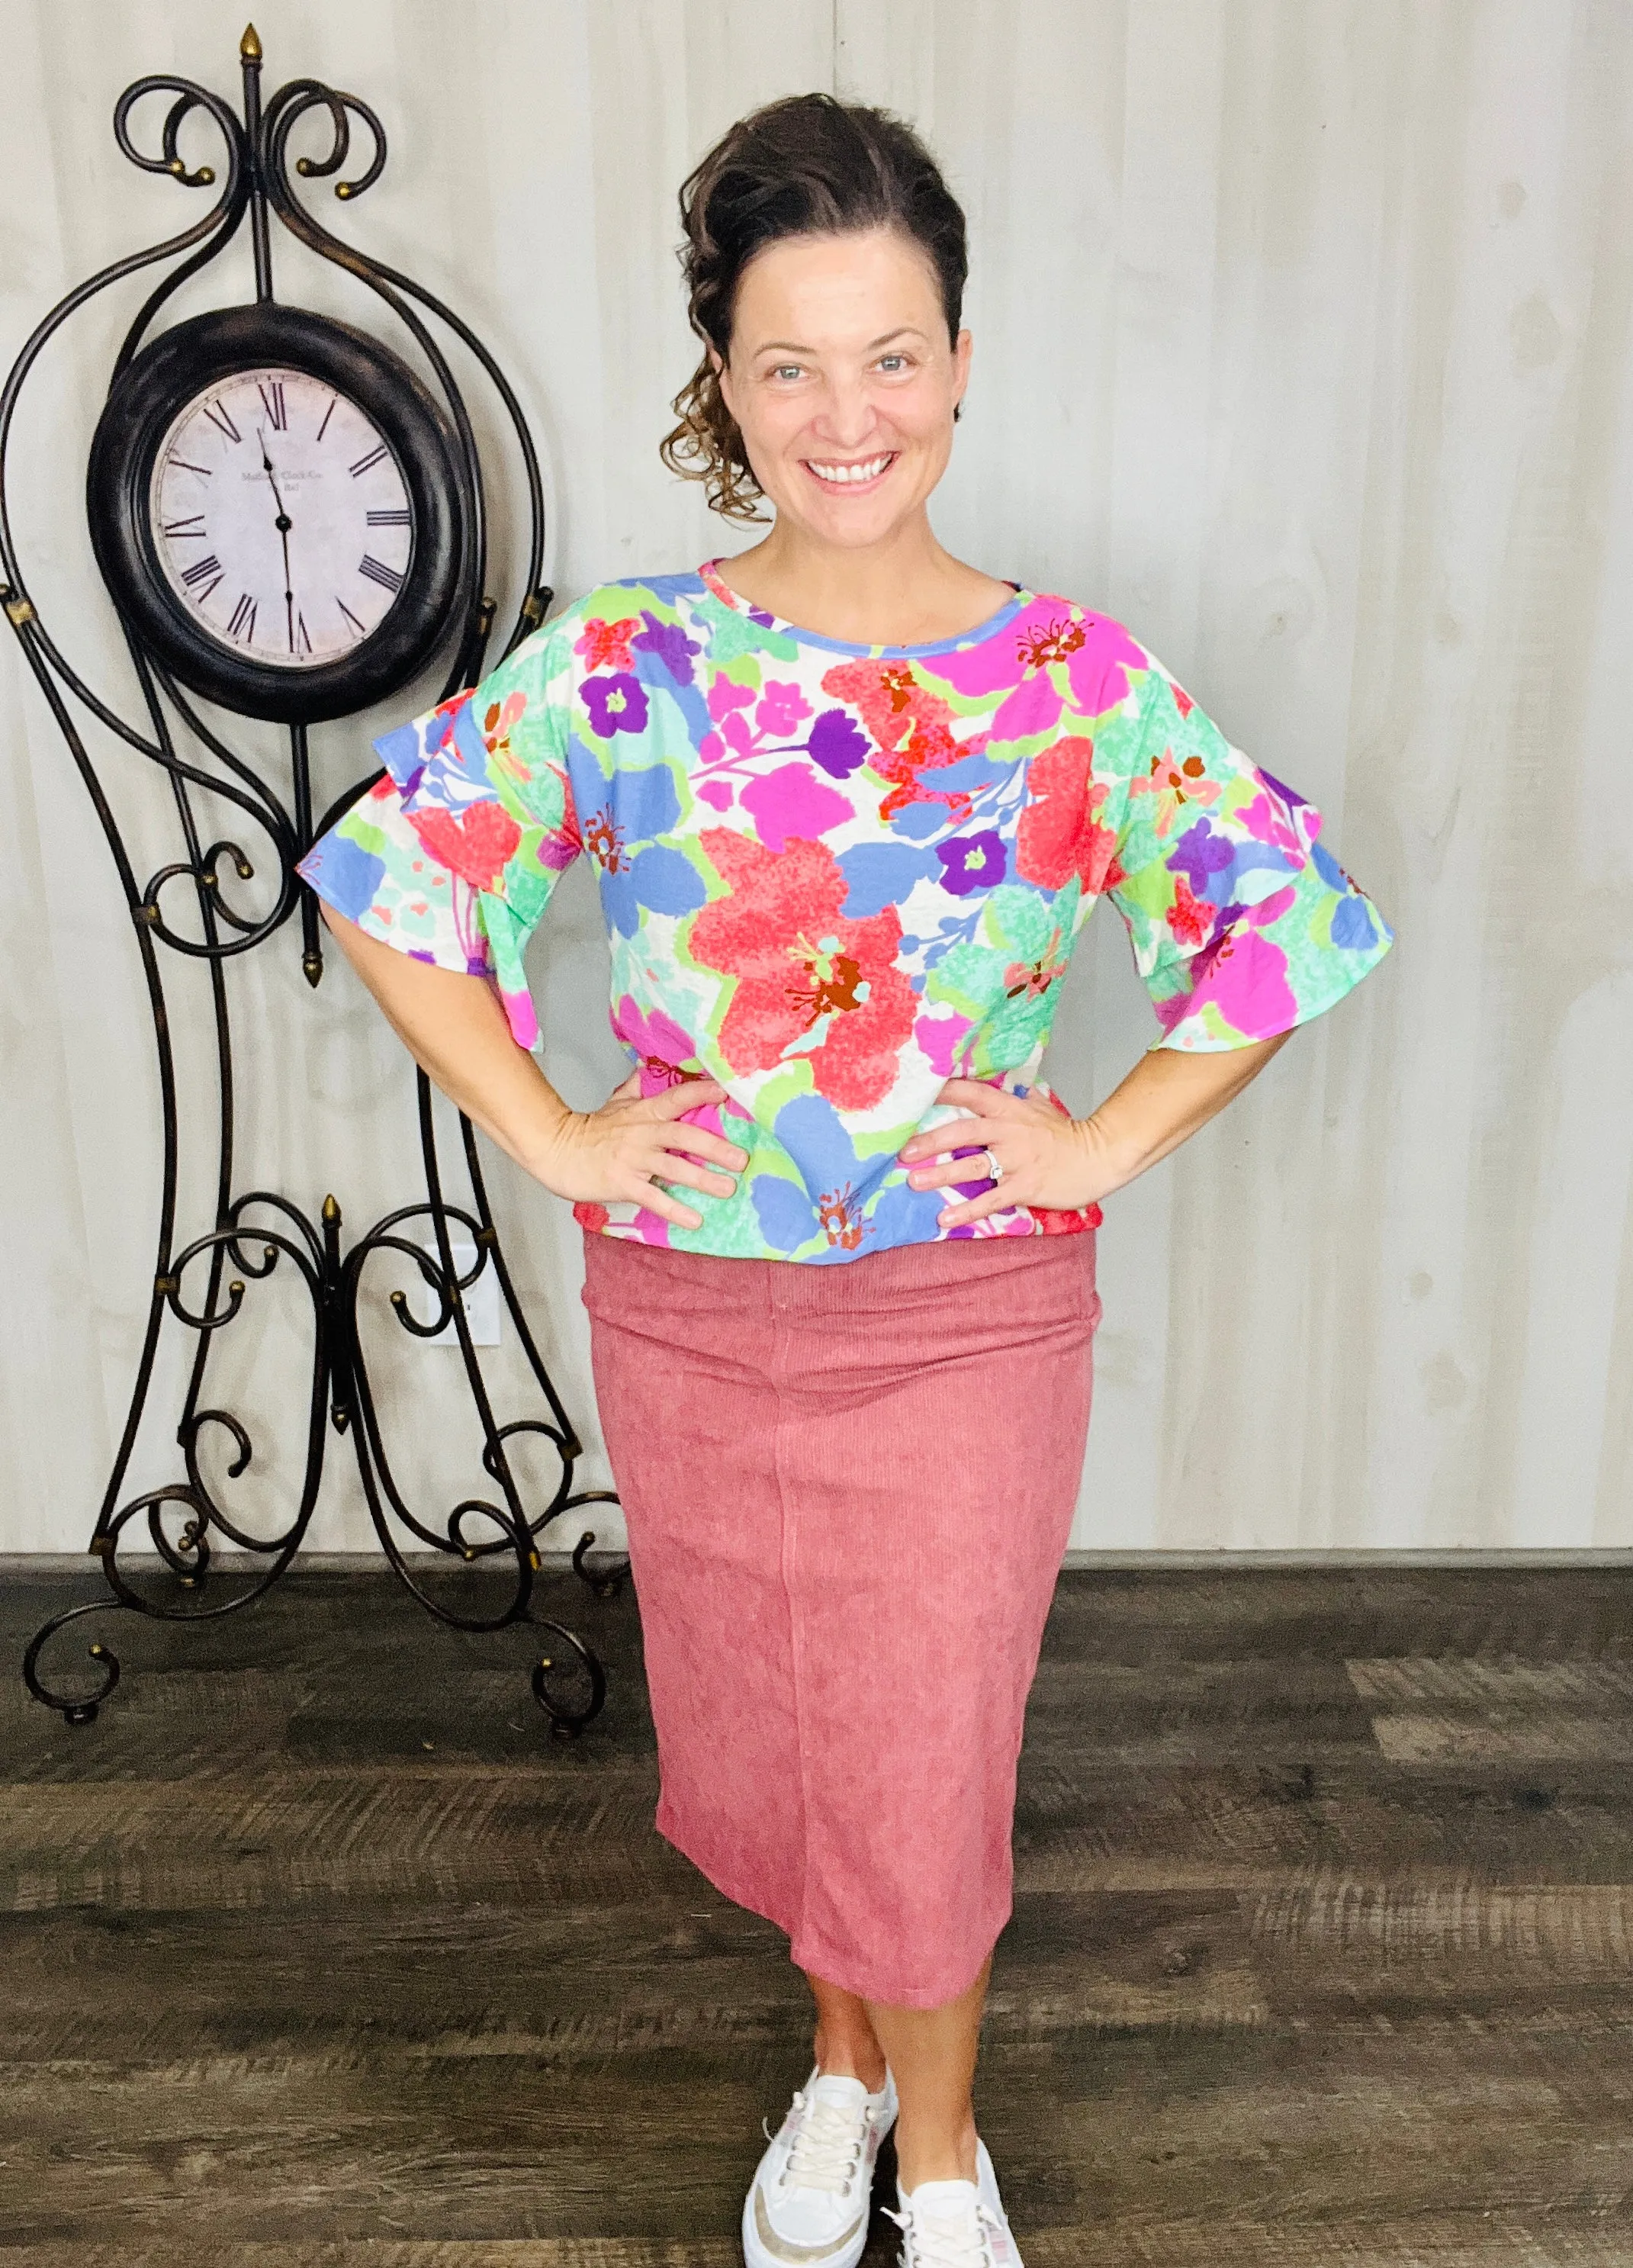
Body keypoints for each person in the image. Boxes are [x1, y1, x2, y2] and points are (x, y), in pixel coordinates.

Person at [297, 91, 1392, 2268]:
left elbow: (1284, 920)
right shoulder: (624, 659)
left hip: (967, 1313)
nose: (845, 410)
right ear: (720, 378)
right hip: (692, 1307)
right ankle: (840, 2060)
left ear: (963, 361)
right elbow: (399, 889)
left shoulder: (1073, 681)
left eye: (890, 353)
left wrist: (1094, 1138)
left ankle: (939, 2155)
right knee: (788, 1729)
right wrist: (555, 1131)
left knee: (918, 1742)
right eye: (788, 360)